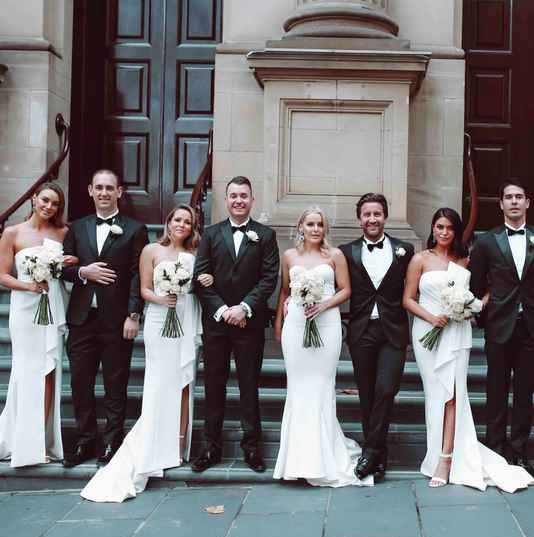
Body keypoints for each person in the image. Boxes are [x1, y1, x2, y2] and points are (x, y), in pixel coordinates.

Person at [80, 205, 212, 502]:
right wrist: (163, 299)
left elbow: (201, 286)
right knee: (160, 380)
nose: (182, 224)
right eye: (178, 219)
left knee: (184, 379)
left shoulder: (196, 254)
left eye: (188, 221)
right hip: (158, 317)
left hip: (187, 315)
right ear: (168, 222)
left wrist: (204, 282)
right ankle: (154, 440)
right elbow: (143, 289)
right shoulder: (151, 250)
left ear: (192, 227)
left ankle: (179, 445)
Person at [403, 208, 534, 491]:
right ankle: (435, 451)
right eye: (439, 226)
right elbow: (408, 299)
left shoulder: (465, 261)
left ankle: (446, 459)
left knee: (453, 393)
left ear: (457, 231)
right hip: (427, 330)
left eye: (450, 228)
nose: (444, 232)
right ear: (433, 228)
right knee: (435, 394)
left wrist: (472, 306)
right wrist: (431, 317)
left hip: (457, 331)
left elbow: (487, 290)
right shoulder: (420, 259)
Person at [272, 207, 372, 487]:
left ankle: (323, 456)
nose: (315, 229)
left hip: (327, 324)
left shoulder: (335, 256)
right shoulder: (289, 257)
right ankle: (295, 458)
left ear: (325, 229)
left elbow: (346, 290)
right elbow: (284, 291)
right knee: (299, 387)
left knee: (321, 386)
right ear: (300, 226)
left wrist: (324, 304)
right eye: (310, 224)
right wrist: (279, 324)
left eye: (320, 225)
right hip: (296, 326)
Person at [469, 178, 534, 477]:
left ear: (528, 202)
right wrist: (488, 317)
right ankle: (495, 449)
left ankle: (519, 450)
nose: (514, 202)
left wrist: (533, 308)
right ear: (501, 204)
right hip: (498, 325)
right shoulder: (485, 241)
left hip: (531, 326)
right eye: (508, 197)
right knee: (495, 390)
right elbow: (476, 283)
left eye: (519, 197)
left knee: (524, 392)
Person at [191, 176, 279, 473]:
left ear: (252, 200)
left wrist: (244, 308)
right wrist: (222, 310)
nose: (239, 200)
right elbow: (201, 278)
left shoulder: (265, 236)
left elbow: (269, 279)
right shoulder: (211, 234)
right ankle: (209, 448)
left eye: (244, 196)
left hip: (248, 324)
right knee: (213, 386)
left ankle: (252, 448)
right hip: (216, 325)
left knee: (249, 386)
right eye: (233, 196)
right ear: (226, 200)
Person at [62, 170, 149, 467]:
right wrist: (82, 273)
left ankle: (113, 440)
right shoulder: (76, 228)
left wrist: (134, 314)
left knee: (115, 383)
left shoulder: (135, 229)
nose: (103, 193)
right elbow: (62, 267)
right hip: (81, 318)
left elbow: (139, 275)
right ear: (89, 190)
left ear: (119, 192)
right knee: (80, 382)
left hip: (116, 319)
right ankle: (85, 440)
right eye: (98, 187)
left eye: (109, 188)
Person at [339, 193, 415, 480]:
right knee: (367, 394)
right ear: (360, 218)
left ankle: (370, 451)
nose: (372, 219)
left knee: (386, 389)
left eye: (377, 214)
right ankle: (378, 457)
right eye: (367, 214)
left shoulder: (404, 250)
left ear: (385, 216)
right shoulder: (346, 252)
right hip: (361, 331)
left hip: (393, 330)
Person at [0, 182, 76, 467]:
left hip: (52, 305)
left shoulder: (63, 232)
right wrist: (28, 286)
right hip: (25, 307)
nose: (48, 207)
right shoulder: (12, 233)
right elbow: (2, 275)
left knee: (48, 372)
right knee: (25, 371)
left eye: (55, 203)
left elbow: (74, 261)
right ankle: (21, 440)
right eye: (45, 200)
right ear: (34, 199)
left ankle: (41, 441)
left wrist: (69, 261)